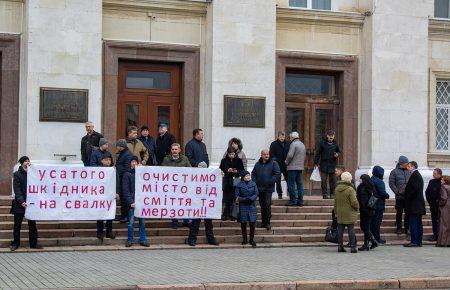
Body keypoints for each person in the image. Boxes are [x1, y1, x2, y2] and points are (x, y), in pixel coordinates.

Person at [10, 156, 41, 251]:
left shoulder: (33, 174)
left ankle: (33, 244)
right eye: (26, 161)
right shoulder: (17, 174)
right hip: (20, 204)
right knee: (17, 225)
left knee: (32, 225)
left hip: (30, 203)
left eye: (29, 161)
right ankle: (15, 243)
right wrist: (21, 201)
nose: (28, 162)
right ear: (22, 163)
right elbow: (17, 189)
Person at [186, 161, 219, 247]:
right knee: (195, 223)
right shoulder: (194, 178)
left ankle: (211, 239)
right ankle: (192, 240)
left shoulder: (210, 178)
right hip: (197, 203)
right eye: (199, 168)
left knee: (209, 223)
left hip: (207, 204)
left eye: (202, 168)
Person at [162, 143, 191, 229]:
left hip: (183, 186)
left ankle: (186, 221)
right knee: (173, 204)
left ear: (179, 150)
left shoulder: (185, 159)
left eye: (176, 149)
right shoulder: (166, 160)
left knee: (184, 203)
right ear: (171, 150)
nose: (174, 151)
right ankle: (175, 221)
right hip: (171, 186)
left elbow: (190, 170)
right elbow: (162, 171)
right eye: (173, 149)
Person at [123, 156, 149, 247]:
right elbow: (125, 190)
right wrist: (131, 202)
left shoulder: (141, 173)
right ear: (130, 163)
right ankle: (130, 240)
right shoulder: (127, 174)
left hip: (141, 200)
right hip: (132, 201)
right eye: (132, 162)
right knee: (131, 222)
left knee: (142, 222)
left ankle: (143, 239)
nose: (134, 163)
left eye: (135, 162)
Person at [251, 149, 281, 230]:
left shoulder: (274, 163)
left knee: (267, 205)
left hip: (268, 188)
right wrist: (254, 182)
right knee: (262, 205)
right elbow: (253, 173)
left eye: (267, 154)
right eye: (265, 154)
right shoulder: (257, 164)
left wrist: (270, 181)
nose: (267, 155)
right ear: (261, 155)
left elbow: (277, 174)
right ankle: (263, 222)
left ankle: (267, 223)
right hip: (259, 188)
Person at [334, 172, 359, 253]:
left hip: (340, 212)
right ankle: (352, 247)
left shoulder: (337, 189)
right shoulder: (350, 189)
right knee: (351, 229)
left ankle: (340, 246)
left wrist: (335, 211)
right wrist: (357, 207)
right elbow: (354, 202)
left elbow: (335, 201)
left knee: (340, 229)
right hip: (349, 212)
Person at [404, 161, 425, 247]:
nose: (407, 168)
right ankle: (418, 241)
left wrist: (408, 196)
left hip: (415, 204)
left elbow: (415, 189)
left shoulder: (415, 175)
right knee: (418, 223)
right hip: (417, 204)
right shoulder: (416, 175)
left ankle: (415, 241)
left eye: (409, 166)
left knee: (413, 223)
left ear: (413, 167)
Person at [314, 130, 340, 199]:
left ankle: (332, 194)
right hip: (324, 164)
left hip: (332, 164)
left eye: (332, 135)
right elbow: (318, 153)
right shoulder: (322, 143)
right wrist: (316, 162)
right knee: (323, 180)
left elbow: (339, 152)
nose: (331, 137)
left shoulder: (335, 144)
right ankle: (324, 194)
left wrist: (337, 154)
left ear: (334, 136)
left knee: (333, 181)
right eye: (330, 135)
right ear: (327, 136)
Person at [219, 147, 244, 221]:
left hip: (236, 179)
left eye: (233, 154)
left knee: (234, 198)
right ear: (227, 154)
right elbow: (221, 169)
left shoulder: (239, 160)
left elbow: (242, 170)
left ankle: (233, 215)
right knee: (226, 198)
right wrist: (227, 170)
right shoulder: (224, 160)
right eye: (230, 154)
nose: (231, 156)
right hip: (227, 180)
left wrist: (237, 171)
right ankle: (225, 214)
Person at [235, 171, 259, 247]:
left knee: (252, 223)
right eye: (246, 176)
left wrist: (251, 199)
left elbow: (256, 193)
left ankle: (251, 239)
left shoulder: (253, 183)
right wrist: (244, 199)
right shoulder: (239, 185)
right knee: (243, 223)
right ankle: (244, 239)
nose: (248, 177)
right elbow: (237, 195)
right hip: (243, 205)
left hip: (251, 205)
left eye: (249, 175)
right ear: (243, 177)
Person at [389, 155, 411, 235]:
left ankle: (407, 228)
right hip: (399, 197)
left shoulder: (409, 171)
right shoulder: (394, 172)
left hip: (408, 197)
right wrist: (397, 192)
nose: (407, 164)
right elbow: (391, 184)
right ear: (402, 163)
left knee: (407, 213)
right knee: (399, 213)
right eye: (406, 163)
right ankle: (399, 228)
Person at [96, 154, 116, 241]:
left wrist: (117, 192)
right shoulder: (98, 171)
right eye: (106, 160)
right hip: (101, 196)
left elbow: (117, 181)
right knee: (100, 215)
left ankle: (109, 232)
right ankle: (100, 232)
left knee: (110, 214)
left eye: (109, 160)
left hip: (110, 195)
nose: (108, 161)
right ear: (102, 161)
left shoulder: (113, 171)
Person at [356, 174, 378, 251]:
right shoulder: (370, 186)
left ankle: (366, 244)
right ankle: (372, 241)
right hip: (370, 210)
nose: (359, 180)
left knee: (365, 226)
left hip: (365, 210)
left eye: (361, 179)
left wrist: (362, 206)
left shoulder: (363, 187)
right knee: (365, 226)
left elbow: (363, 199)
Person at [285, 131, 306, 206]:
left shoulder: (293, 144)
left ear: (292, 137)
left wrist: (286, 162)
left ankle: (293, 201)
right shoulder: (302, 144)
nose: (290, 139)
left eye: (290, 137)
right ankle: (300, 201)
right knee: (299, 185)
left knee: (291, 185)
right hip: (300, 167)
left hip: (292, 168)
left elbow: (290, 155)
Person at [115, 139, 134, 223]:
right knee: (122, 198)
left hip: (124, 178)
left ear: (121, 146)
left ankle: (126, 216)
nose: (116, 147)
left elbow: (127, 167)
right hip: (121, 177)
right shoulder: (123, 153)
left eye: (117, 146)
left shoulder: (128, 154)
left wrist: (120, 173)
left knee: (125, 198)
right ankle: (123, 215)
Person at [370, 165, 390, 245]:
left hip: (371, 203)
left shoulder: (371, 179)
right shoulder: (379, 181)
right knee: (377, 222)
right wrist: (387, 195)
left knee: (371, 222)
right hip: (379, 204)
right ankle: (377, 238)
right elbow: (382, 193)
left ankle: (371, 237)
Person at [270, 131, 290, 199]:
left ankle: (290, 192)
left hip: (286, 165)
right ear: (278, 136)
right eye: (281, 136)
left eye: (283, 136)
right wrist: (276, 160)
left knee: (288, 179)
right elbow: (271, 154)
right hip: (277, 165)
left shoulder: (288, 143)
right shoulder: (273, 144)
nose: (282, 138)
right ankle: (280, 194)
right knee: (278, 180)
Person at [425, 168, 442, 242]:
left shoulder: (443, 181)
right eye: (433, 173)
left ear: (439, 174)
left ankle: (441, 235)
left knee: (441, 221)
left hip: (441, 206)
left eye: (435, 174)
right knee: (434, 221)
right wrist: (430, 201)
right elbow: (427, 192)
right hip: (433, 205)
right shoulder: (431, 181)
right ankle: (435, 234)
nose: (433, 175)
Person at [437, 175, 450, 247]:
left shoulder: (443, 187)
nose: (441, 181)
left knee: (444, 224)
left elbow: (444, 198)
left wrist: (440, 204)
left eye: (442, 180)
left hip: (445, 206)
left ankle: (443, 242)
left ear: (445, 181)